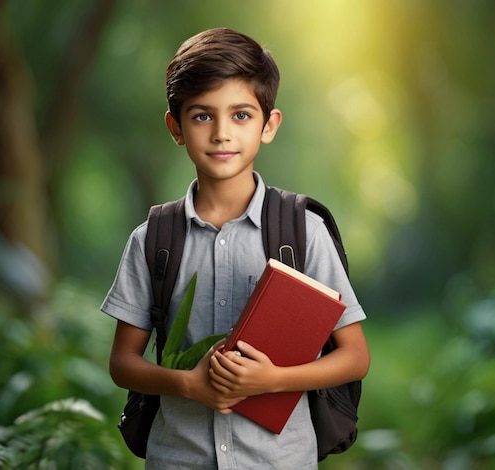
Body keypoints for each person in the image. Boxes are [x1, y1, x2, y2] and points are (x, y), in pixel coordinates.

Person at [101, 27, 370, 469]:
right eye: (202, 116)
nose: (222, 133)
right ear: (176, 127)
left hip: (280, 460)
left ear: (269, 125)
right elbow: (122, 364)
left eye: (241, 115)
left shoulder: (304, 231)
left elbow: (356, 356)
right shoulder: (153, 239)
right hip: (178, 457)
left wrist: (274, 380)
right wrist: (190, 384)